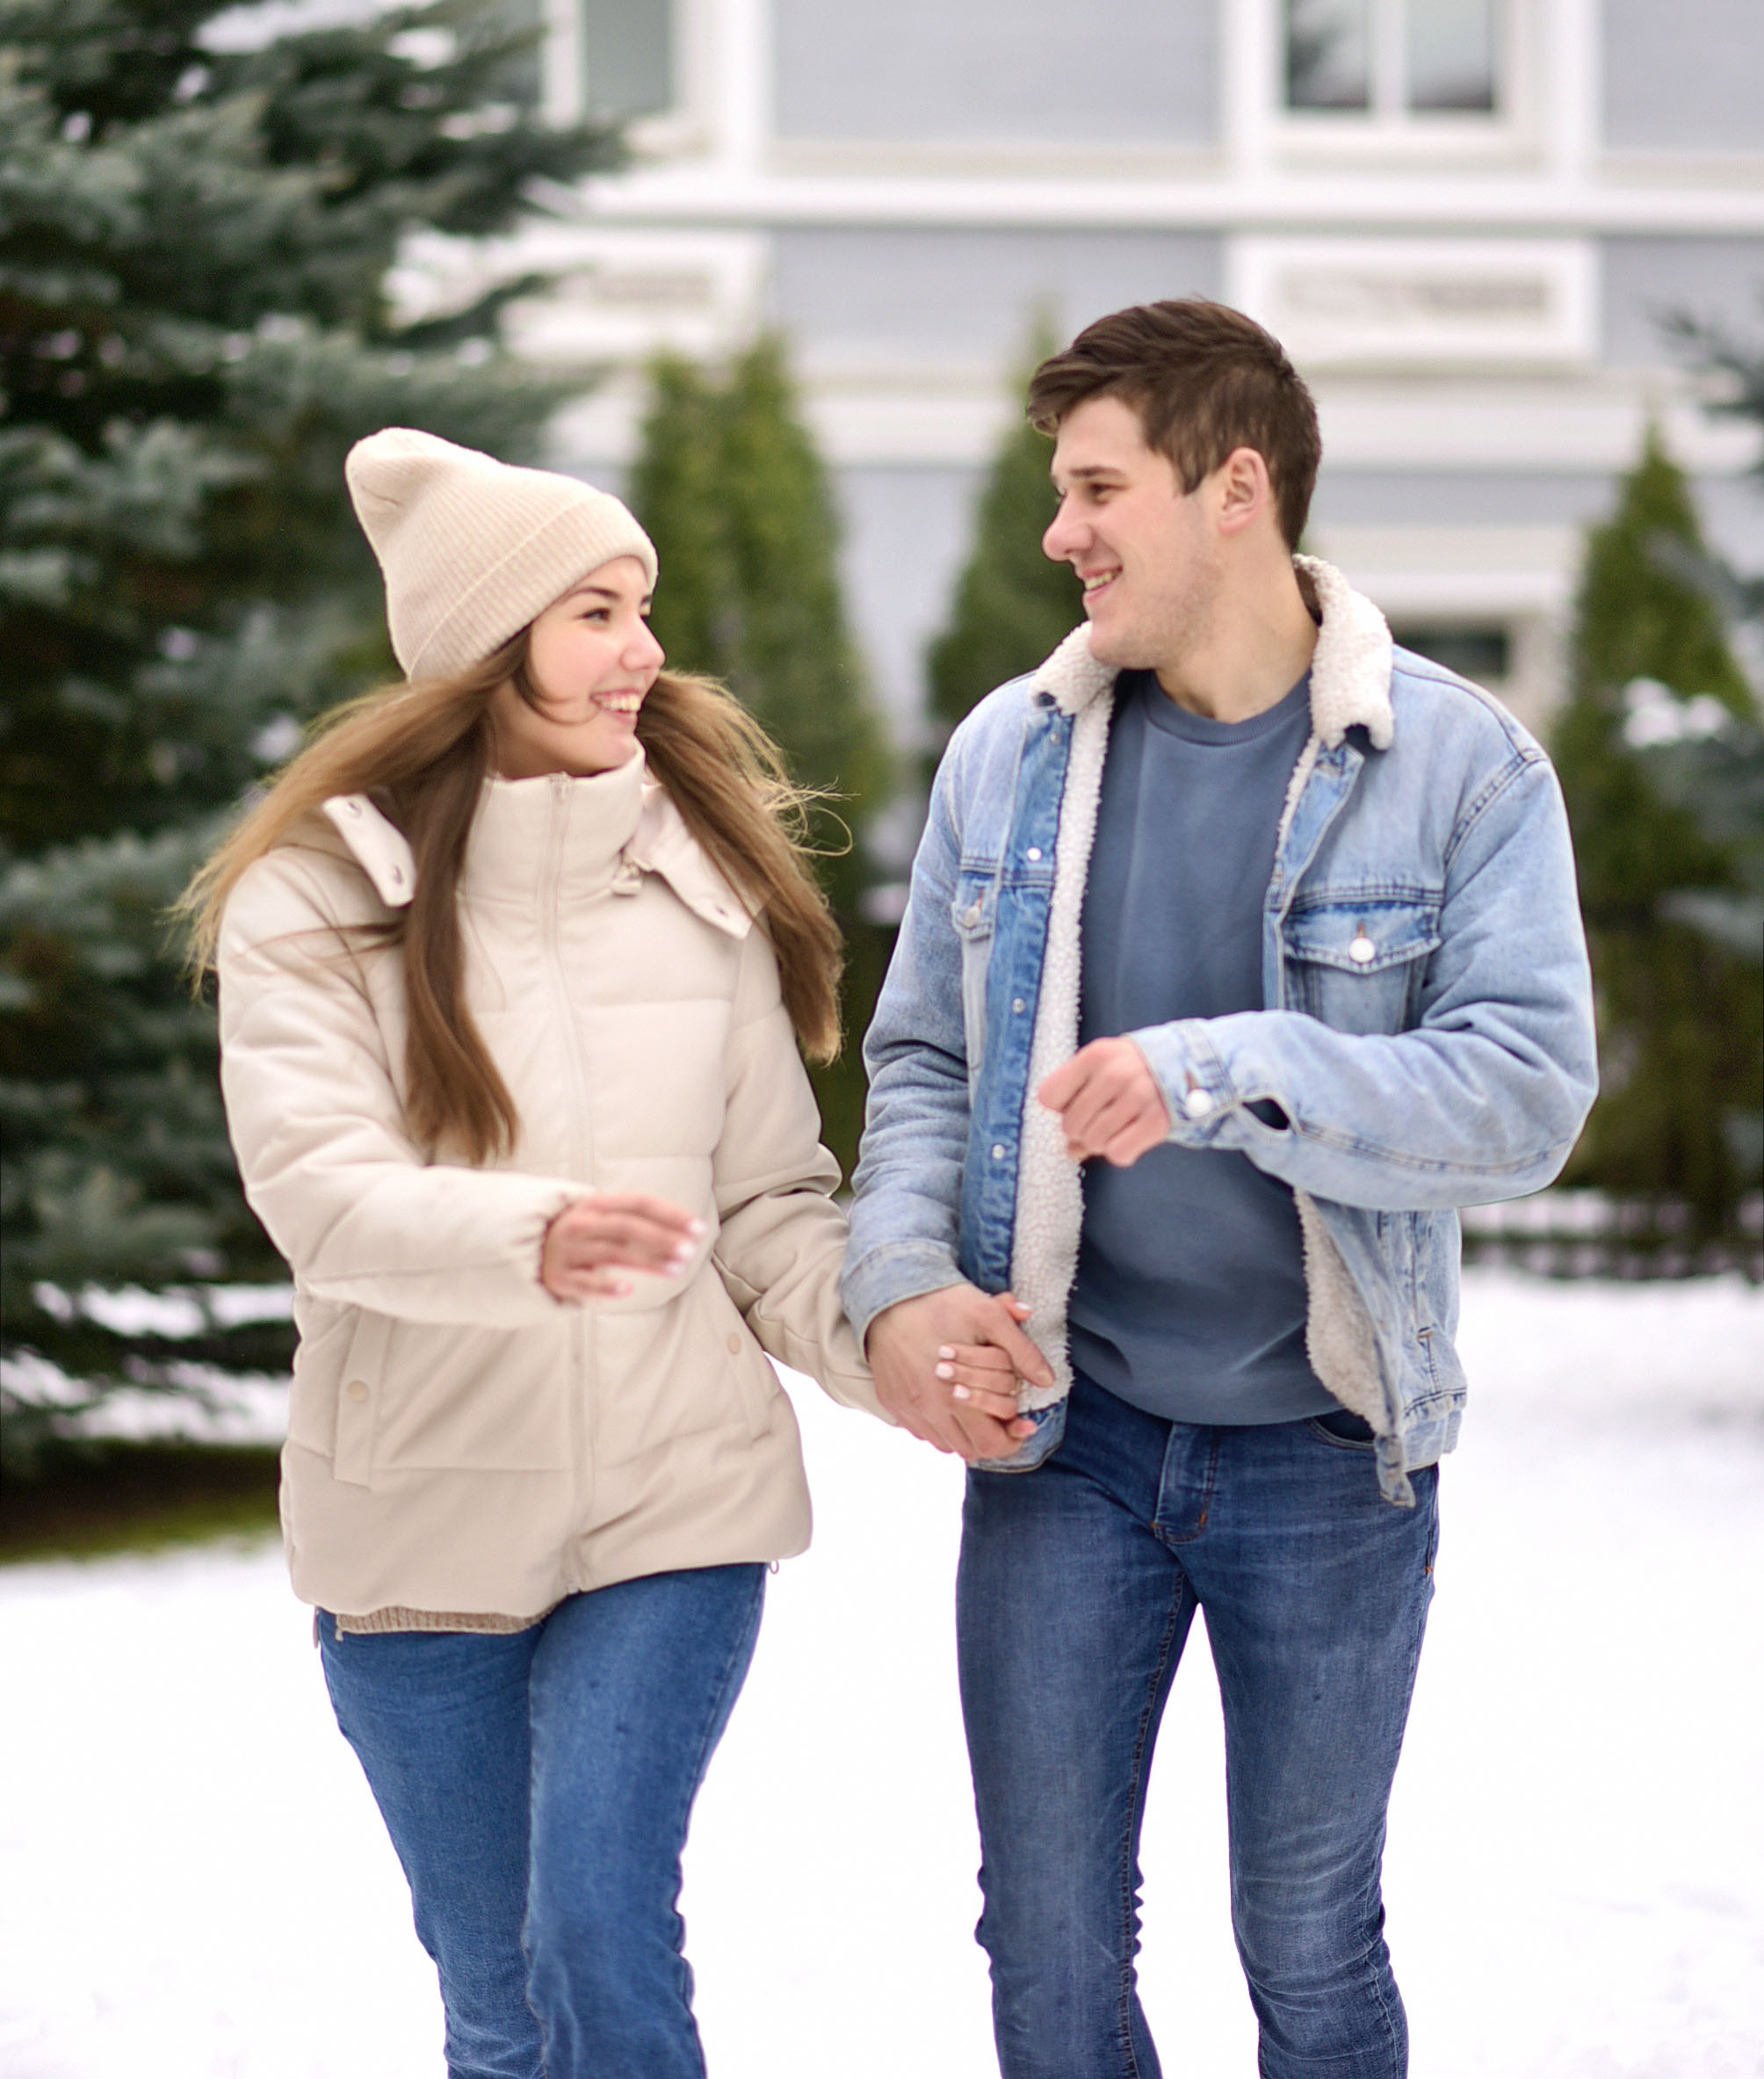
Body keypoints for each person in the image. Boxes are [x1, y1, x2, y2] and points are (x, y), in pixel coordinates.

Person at [843, 300, 1597, 2079]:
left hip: (1324, 1454)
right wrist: (893, 1282)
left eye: (1098, 486)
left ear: (1231, 487)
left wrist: (1219, 1070)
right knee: (1039, 1941)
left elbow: (1521, 1096)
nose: (1058, 531)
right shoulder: (1003, 757)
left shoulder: (1456, 766)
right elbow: (922, 1067)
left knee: (1308, 1945)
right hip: (1071, 1437)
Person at [184, 427, 878, 2079]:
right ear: (490, 643)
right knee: (498, 2005)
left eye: (643, 606)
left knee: (597, 1928)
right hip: (417, 1520)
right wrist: (539, 1234)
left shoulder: (693, 878)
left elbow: (773, 1202)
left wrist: (896, 1345)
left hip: (673, 1494)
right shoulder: (319, 893)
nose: (645, 649)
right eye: (594, 611)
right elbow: (320, 1191)